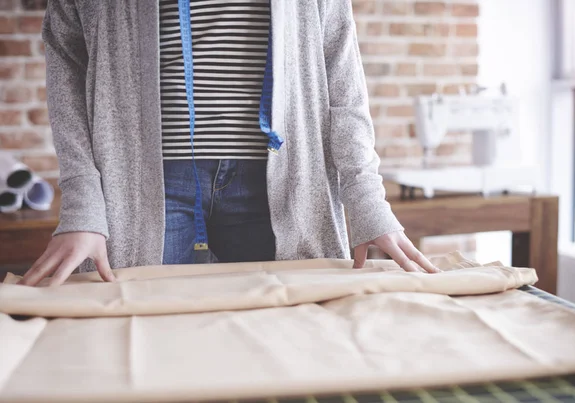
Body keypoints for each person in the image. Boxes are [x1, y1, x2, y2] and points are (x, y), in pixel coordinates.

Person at [20, 0, 439, 287]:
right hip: (141, 188)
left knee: (293, 343)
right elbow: (67, 65)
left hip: (283, 184)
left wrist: (366, 198)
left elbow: (341, 74)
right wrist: (83, 204)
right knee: (140, 349)